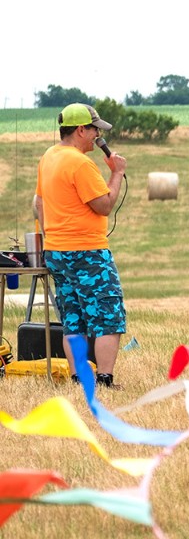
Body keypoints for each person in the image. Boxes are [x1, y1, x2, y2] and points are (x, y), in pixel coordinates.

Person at [33, 103, 128, 387]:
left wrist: (52, 235)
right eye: (95, 129)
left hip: (57, 251)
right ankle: (104, 379)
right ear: (80, 130)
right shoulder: (80, 163)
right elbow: (104, 205)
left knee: (73, 317)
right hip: (87, 251)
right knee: (108, 313)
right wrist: (117, 173)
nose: (99, 135)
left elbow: (38, 202)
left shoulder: (49, 156)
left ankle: (78, 378)